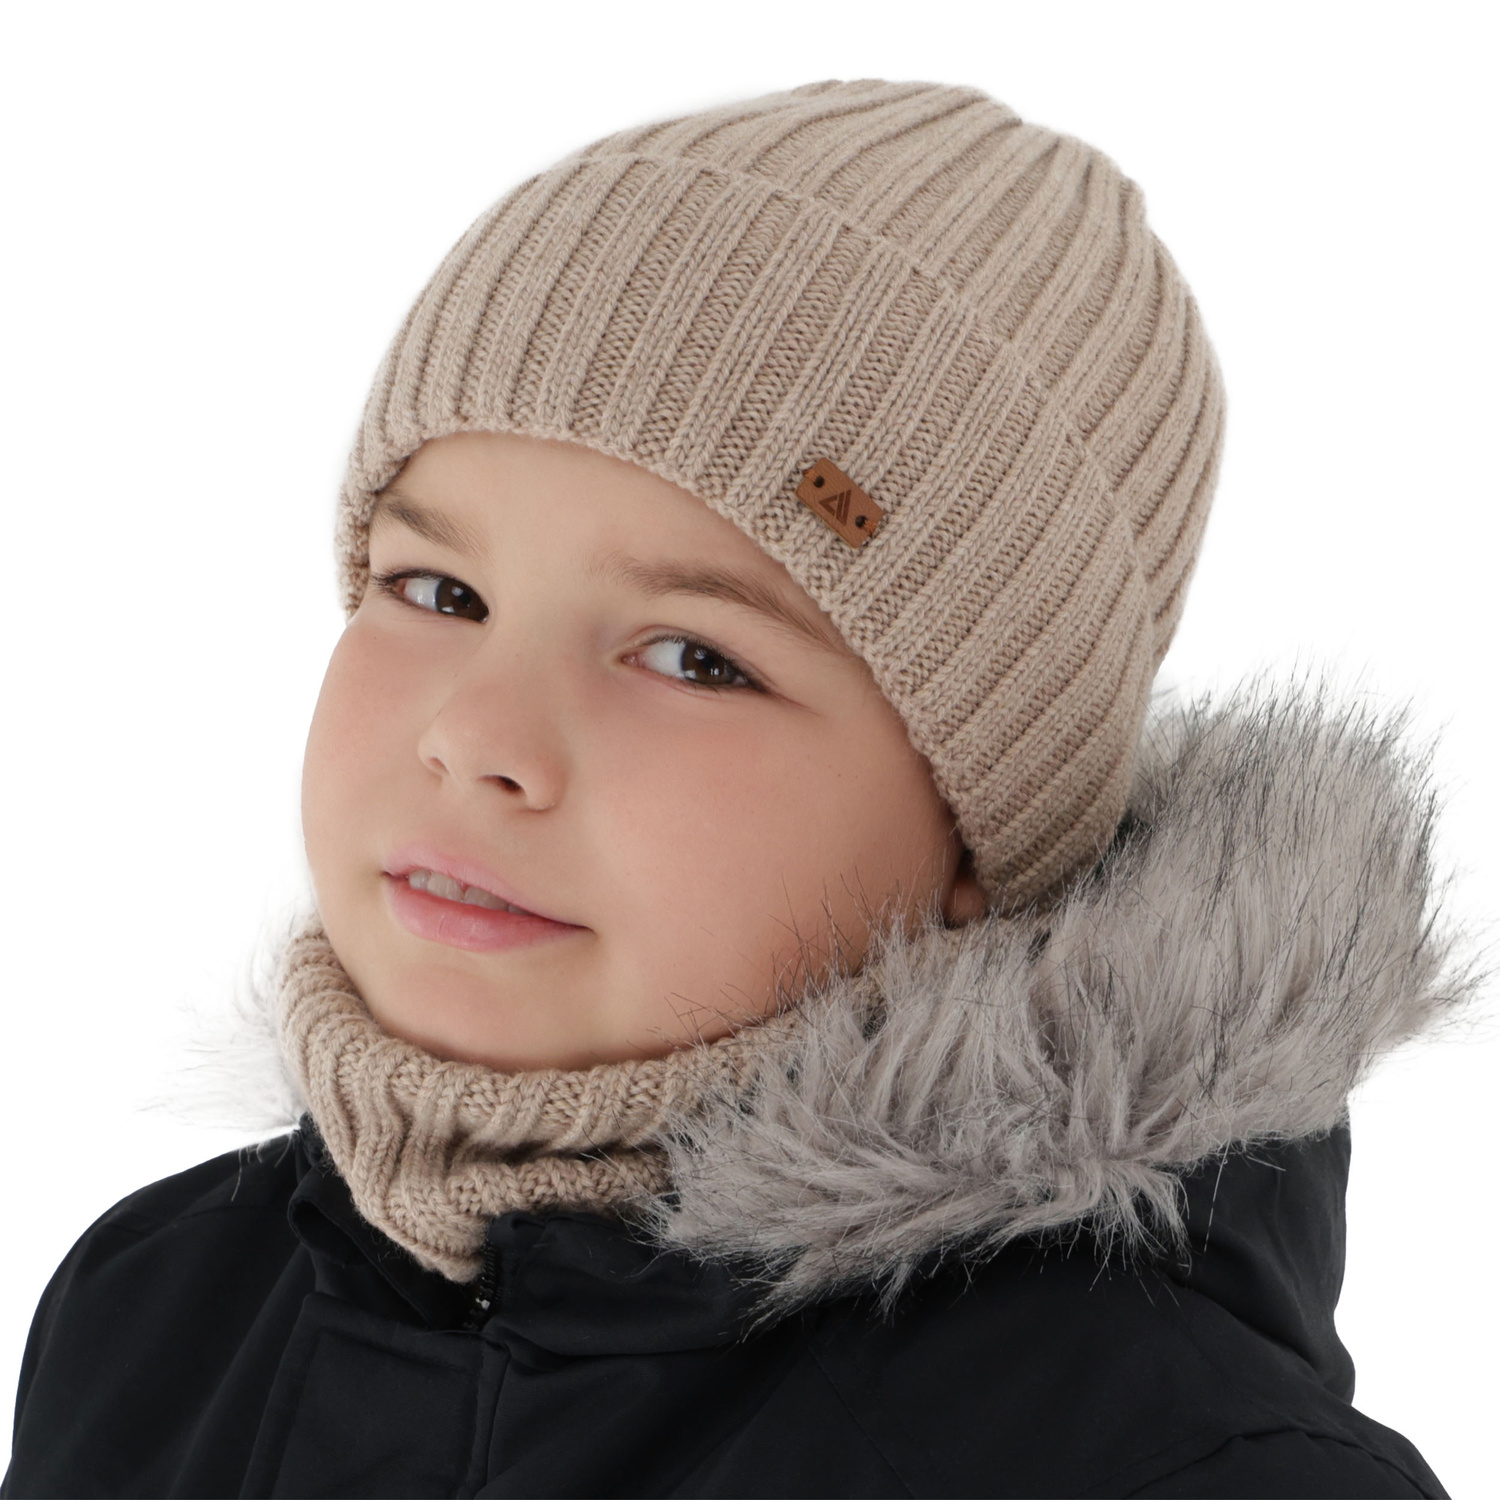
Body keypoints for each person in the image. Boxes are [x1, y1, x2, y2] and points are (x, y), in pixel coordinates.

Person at [2, 78, 1468, 1498]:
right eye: (438, 589)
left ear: (983, 829)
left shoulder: (1170, 1467)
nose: (479, 735)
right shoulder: (155, 1317)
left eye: (695, 658)